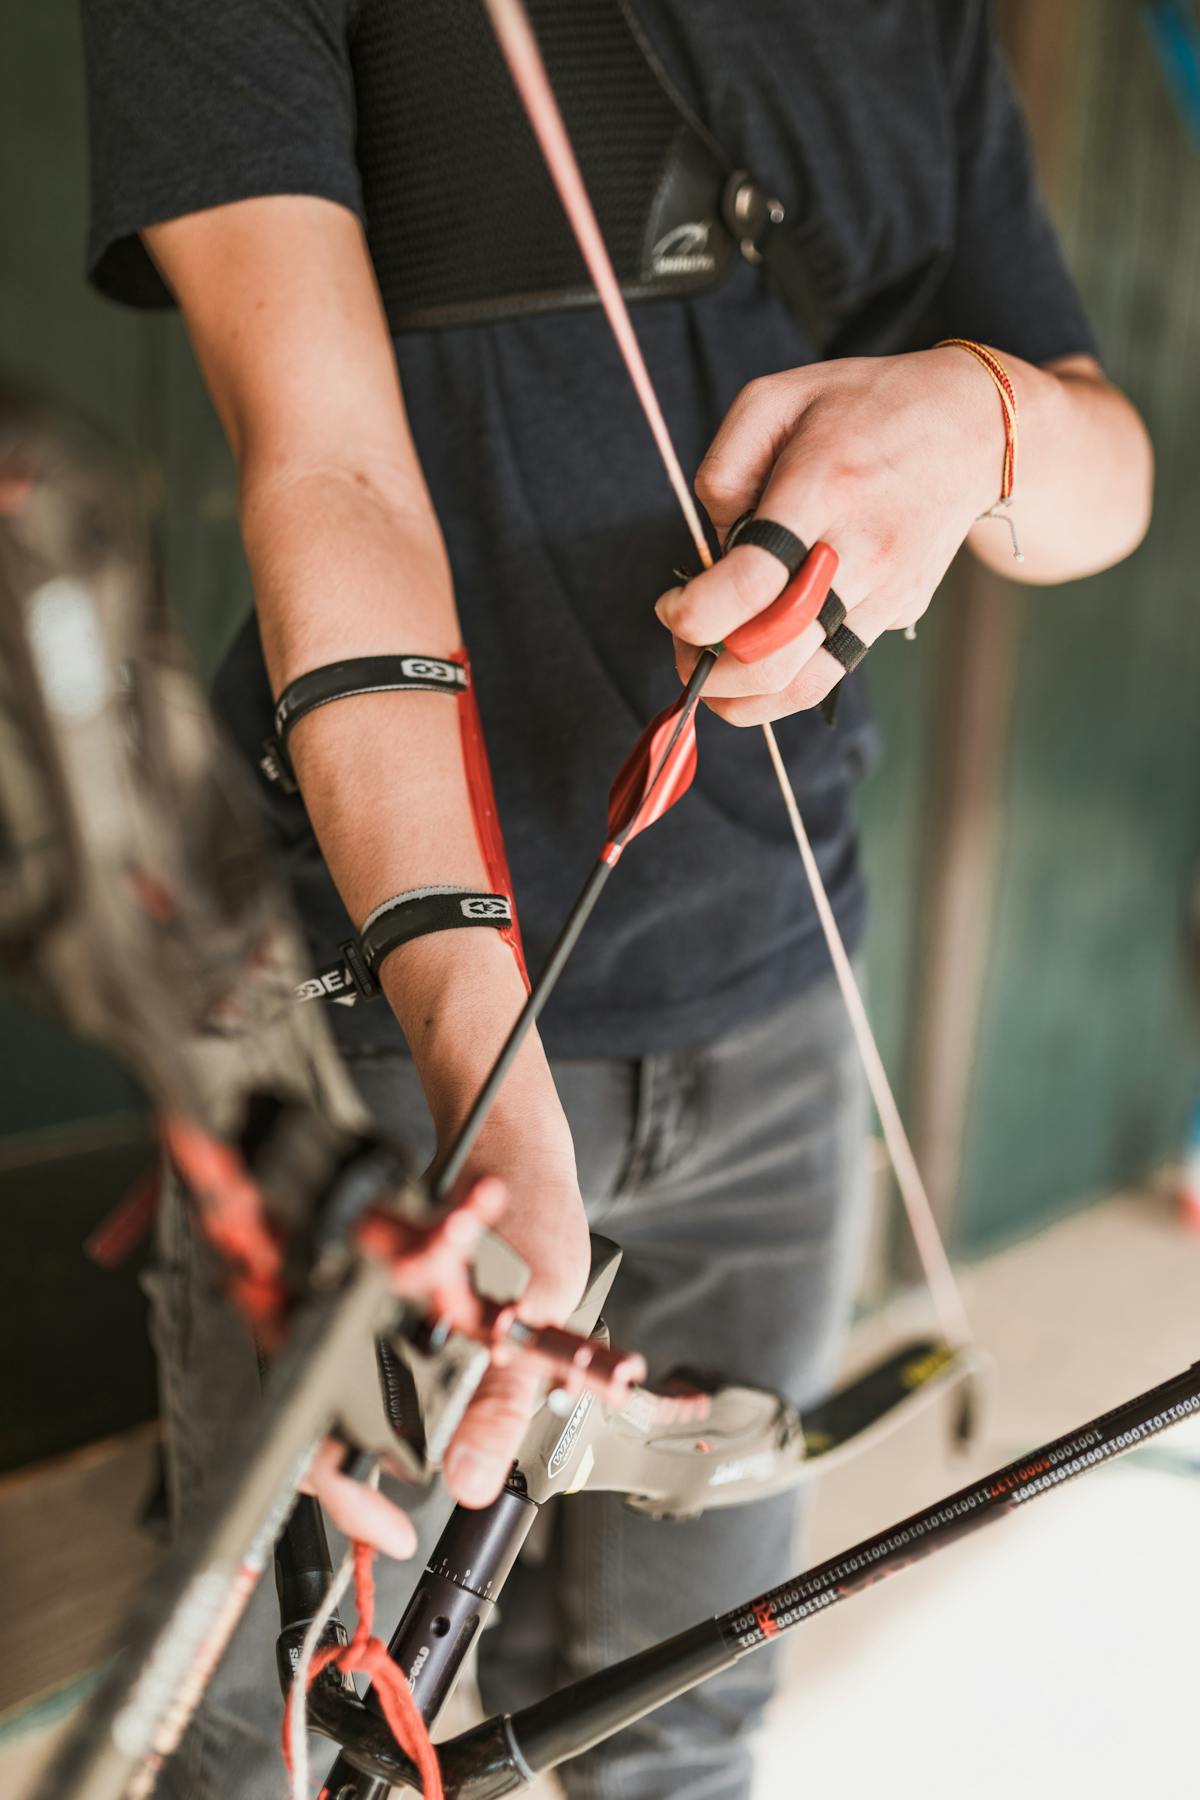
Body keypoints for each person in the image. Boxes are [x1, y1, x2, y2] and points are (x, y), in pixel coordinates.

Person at [81, 3, 1151, 1795]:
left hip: (783, 997)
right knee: (273, 1738)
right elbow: (325, 469)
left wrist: (986, 419)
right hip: (386, 1026)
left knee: (687, 1726)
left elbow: (1103, 466)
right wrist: (473, 1054)